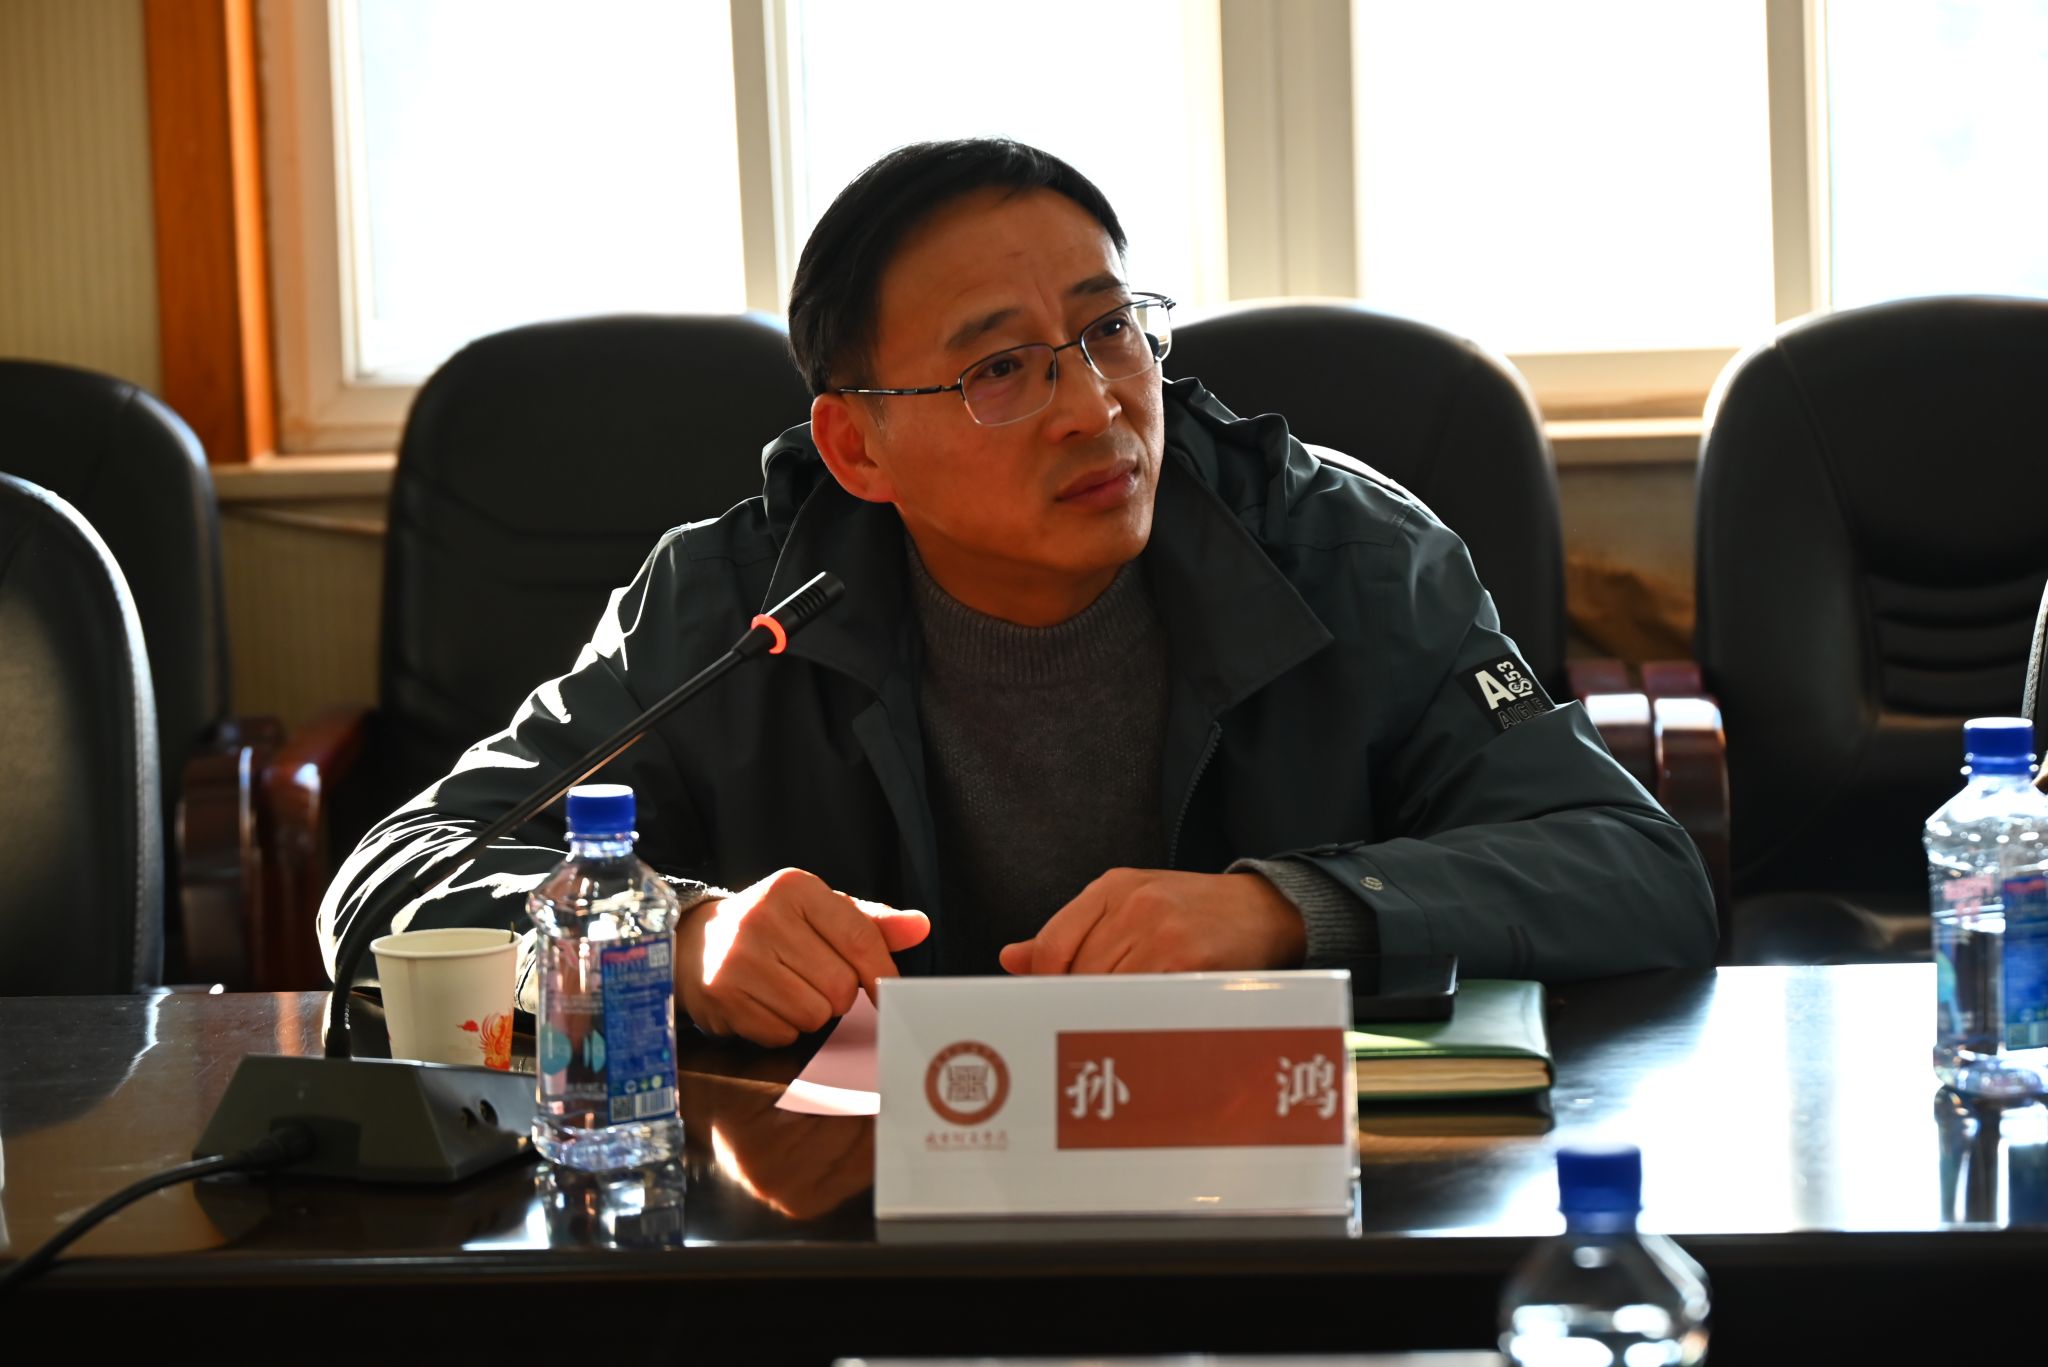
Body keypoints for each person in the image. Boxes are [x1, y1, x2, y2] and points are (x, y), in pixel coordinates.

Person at [318, 138, 1716, 1047]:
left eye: (1110, 331)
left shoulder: (1345, 554)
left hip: (1269, 1198)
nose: (1096, 405)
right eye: (1000, 368)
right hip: (849, 1228)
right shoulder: (732, 603)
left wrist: (1292, 912)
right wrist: (674, 934)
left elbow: (1637, 869)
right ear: (857, 448)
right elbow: (391, 881)